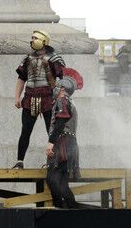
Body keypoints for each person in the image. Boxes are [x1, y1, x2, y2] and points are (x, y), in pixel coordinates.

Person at [12, 30, 66, 169]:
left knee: (51, 130)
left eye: (35, 37)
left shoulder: (54, 58)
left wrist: (60, 96)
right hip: (30, 98)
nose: (32, 40)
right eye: (31, 37)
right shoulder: (27, 59)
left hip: (48, 98)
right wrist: (17, 97)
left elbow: (62, 79)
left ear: (43, 40)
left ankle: (53, 162)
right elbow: (21, 78)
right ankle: (19, 161)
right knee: (25, 130)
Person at [45, 70, 83, 209]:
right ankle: (68, 210)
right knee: (61, 181)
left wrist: (51, 142)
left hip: (63, 144)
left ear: (62, 88)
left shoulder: (62, 99)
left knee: (53, 179)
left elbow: (61, 120)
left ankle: (62, 210)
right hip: (68, 143)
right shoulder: (69, 101)